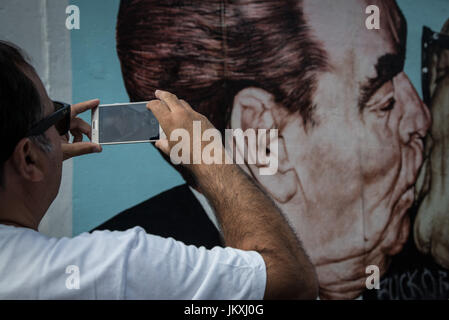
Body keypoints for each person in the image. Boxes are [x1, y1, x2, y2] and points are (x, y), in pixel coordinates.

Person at [96, 0, 433, 299]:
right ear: (267, 139)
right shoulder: (126, 276)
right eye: (384, 101)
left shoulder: (429, 261)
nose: (421, 118)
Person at [0, 40, 318, 299]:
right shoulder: (113, 266)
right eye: (52, 115)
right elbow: (290, 283)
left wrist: (42, 160)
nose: (62, 126)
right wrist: (207, 156)